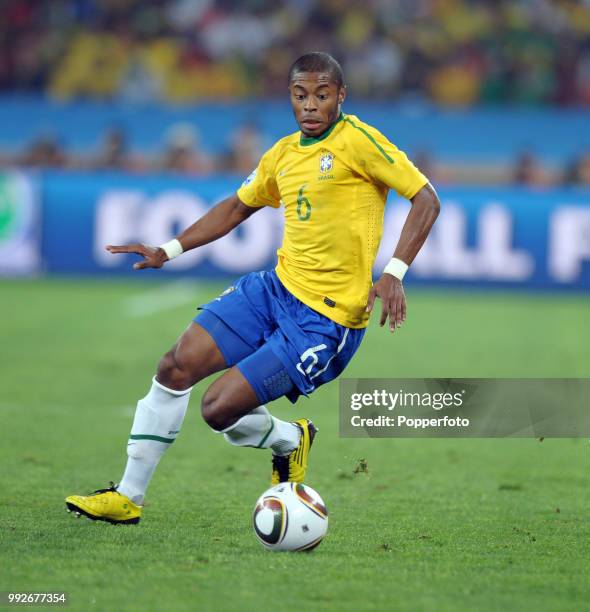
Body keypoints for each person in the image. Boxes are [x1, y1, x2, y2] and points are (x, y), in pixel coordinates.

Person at [65, 52, 440, 525]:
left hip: (324, 321)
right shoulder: (282, 154)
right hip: (274, 290)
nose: (310, 105)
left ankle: (288, 439)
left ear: (340, 96)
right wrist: (170, 249)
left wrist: (395, 271)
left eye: (322, 95)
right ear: (290, 97)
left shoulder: (359, 142)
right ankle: (128, 497)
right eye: (300, 95)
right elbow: (236, 208)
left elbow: (426, 198)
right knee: (175, 365)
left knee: (218, 409)